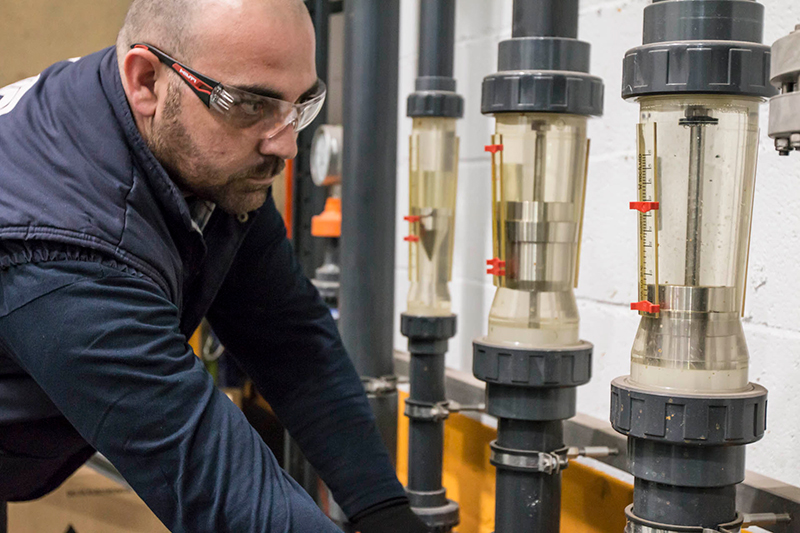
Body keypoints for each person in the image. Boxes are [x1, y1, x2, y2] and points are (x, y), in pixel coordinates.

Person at [0, 0, 428, 531]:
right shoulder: (62, 240)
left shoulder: (199, 153)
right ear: (145, 81)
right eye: (250, 104)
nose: (287, 144)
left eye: (302, 104)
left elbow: (289, 342)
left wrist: (383, 509)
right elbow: (220, 491)